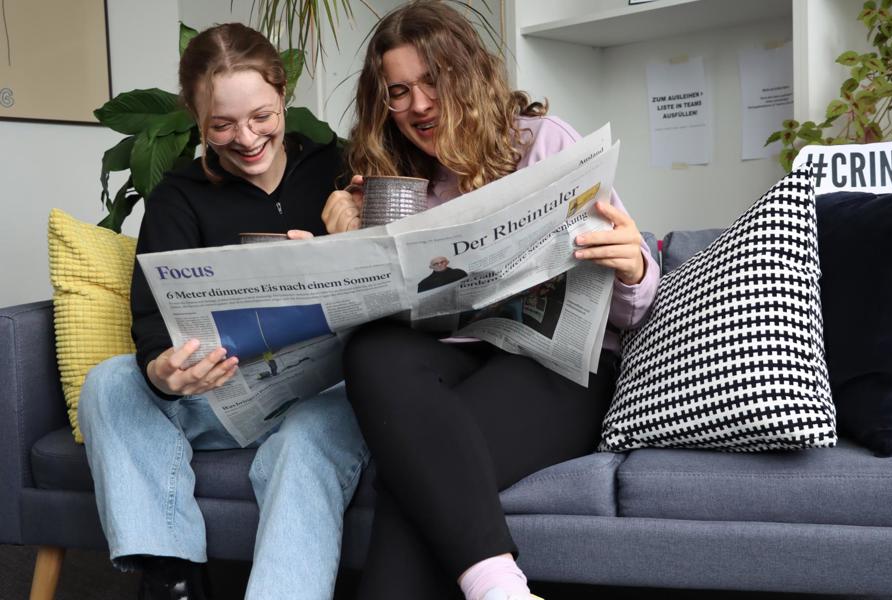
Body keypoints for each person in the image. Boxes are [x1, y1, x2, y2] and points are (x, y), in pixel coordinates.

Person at [321, 2, 661, 599]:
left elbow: (630, 313)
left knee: (416, 478)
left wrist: (634, 266)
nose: (419, 105)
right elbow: (369, 325)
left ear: (467, 73)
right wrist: (344, 247)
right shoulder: (389, 184)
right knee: (374, 352)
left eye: (432, 81)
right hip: (450, 359)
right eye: (398, 91)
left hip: (555, 366)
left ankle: (496, 585)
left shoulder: (543, 143)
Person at [77, 23, 368, 600]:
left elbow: (394, 289)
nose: (247, 138)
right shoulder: (177, 197)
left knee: (306, 442)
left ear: (283, 94)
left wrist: (348, 243)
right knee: (109, 382)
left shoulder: (340, 169)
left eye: (261, 116)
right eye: (222, 126)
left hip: (327, 390)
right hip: (225, 390)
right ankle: (174, 576)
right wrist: (164, 370)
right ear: (195, 117)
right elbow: (152, 324)